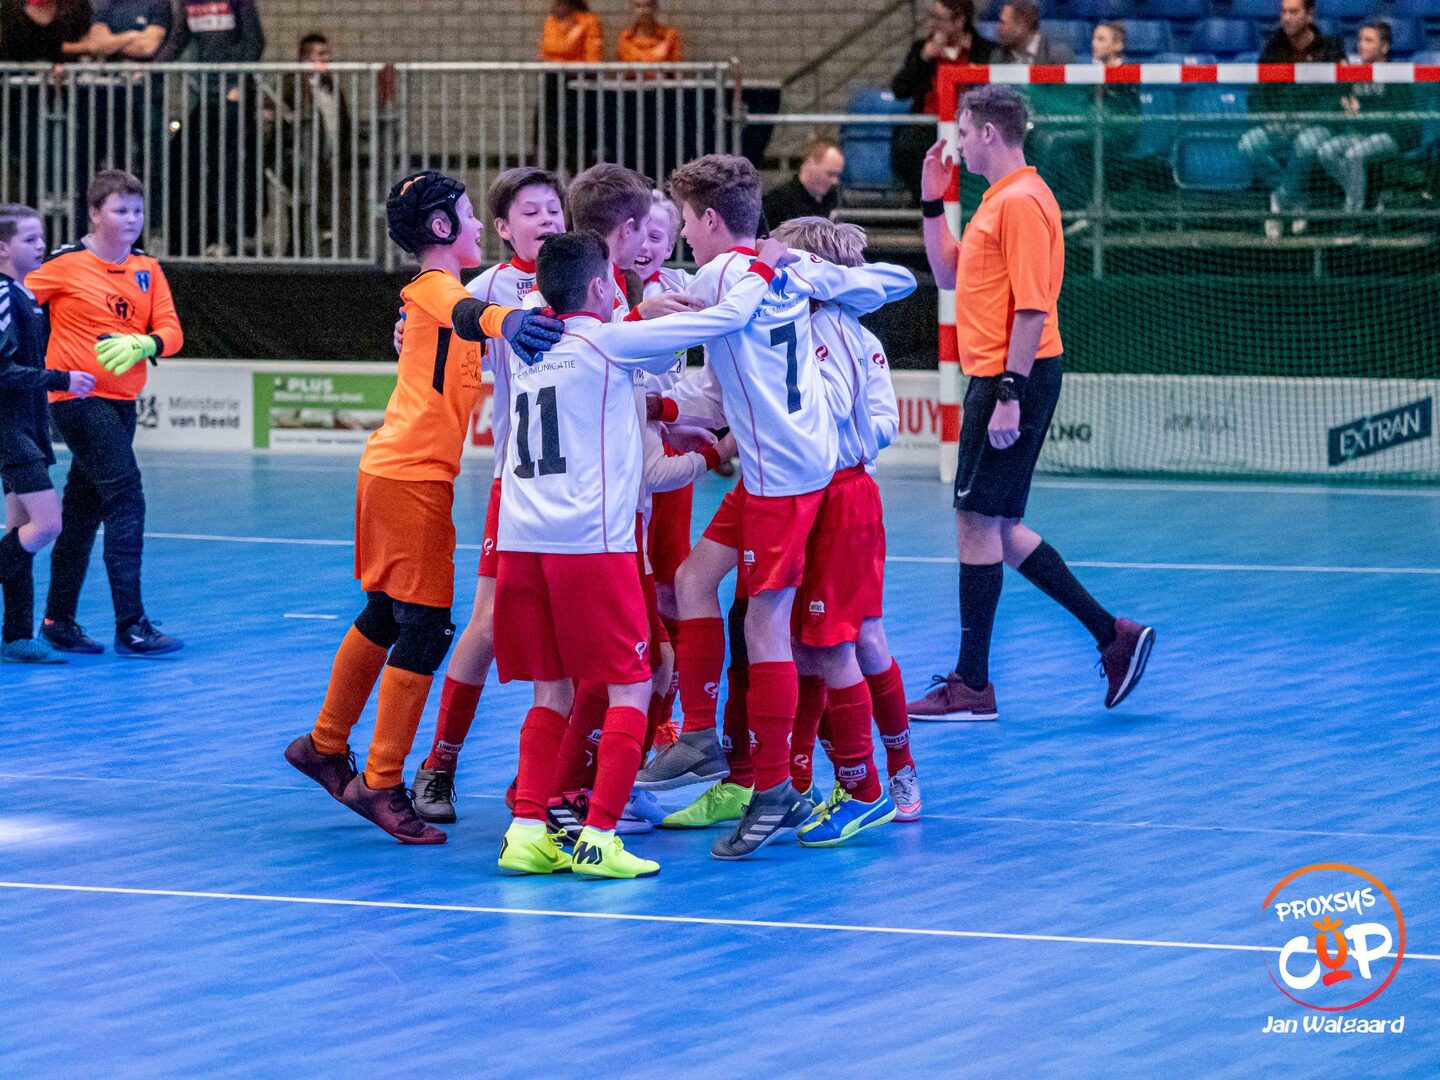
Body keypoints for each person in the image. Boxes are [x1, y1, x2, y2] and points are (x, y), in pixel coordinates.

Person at [638, 153, 915, 859]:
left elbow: (672, 336)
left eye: (685, 223)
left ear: (709, 219)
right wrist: (819, 276)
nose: (682, 239)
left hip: (788, 479)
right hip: (776, 471)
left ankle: (775, 786)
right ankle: (704, 735)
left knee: (780, 631)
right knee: (695, 579)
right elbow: (723, 386)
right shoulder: (783, 275)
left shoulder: (725, 275)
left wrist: (628, 327)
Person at [492, 229, 793, 879]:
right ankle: (599, 836)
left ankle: (527, 830)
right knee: (634, 681)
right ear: (601, 285)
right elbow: (725, 319)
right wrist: (763, 269)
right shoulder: (608, 342)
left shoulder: (527, 346)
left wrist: (637, 316)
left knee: (551, 688)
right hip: (589, 543)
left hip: (521, 539)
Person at [284, 171, 563, 846]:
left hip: (396, 471)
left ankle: (324, 744)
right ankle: (381, 781)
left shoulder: (439, 299)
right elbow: (470, 314)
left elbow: (462, 324)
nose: (478, 226)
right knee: (428, 629)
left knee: (387, 615)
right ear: (441, 228)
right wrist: (511, 321)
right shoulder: (436, 287)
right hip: (409, 477)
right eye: (469, 215)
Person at [908, 85, 1154, 723]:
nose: (960, 145)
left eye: (965, 133)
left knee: (975, 521)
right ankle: (1113, 635)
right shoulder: (1000, 199)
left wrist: (1009, 394)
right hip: (1005, 374)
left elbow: (1033, 307)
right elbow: (949, 274)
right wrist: (932, 200)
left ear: (988, 133)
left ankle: (972, 685)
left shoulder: (1019, 202)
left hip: (1011, 375)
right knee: (998, 526)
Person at [408, 166, 567, 824]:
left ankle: (550, 779)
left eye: (554, 208)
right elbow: (428, 320)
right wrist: (405, 331)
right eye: (532, 211)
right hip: (521, 480)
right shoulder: (488, 289)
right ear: (502, 228)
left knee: (573, 638)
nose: (548, 219)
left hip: (591, 489)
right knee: (489, 622)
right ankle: (439, 763)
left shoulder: (595, 279)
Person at [769, 215, 919, 837]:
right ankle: (805, 777)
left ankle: (880, 780)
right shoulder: (803, 326)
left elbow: (874, 421)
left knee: (845, 640)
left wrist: (826, 442)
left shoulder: (836, 331)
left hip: (840, 493)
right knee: (812, 641)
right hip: (819, 493)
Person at [28, 170, 183, 656]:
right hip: (77, 400)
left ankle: (57, 620)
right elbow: (14, 297)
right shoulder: (64, 266)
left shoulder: (147, 269)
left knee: (82, 509)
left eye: (137, 210)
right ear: (95, 214)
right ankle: (131, 625)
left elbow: (172, 331)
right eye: (120, 210)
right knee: (126, 496)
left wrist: (147, 343)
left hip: (122, 402)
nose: (132, 219)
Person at [0, 204, 96, 664]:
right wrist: (62, 379)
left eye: (41, 237)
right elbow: (2, 371)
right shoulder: (4, 295)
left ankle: (17, 635)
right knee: (48, 524)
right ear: (3, 248)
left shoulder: (26, 295)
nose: (41, 246)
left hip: (30, 427)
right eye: (30, 239)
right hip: (9, 429)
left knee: (20, 530)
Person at [160, 0, 266, 255]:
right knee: (191, 162)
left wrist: (238, 83)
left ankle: (228, 237)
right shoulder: (189, 3)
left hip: (232, 95)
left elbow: (254, 41)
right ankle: (197, 236)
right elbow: (177, 41)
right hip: (205, 96)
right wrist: (150, 66)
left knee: (229, 169)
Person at [1238, 0, 1344, 239]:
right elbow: (1258, 93)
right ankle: (1295, 197)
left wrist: (1310, 119)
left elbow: (1337, 94)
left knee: (1306, 144)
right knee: (1248, 145)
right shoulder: (1273, 48)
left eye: (1294, 12)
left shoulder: (1330, 49)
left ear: (1310, 15)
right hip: (1280, 124)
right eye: (1284, 11)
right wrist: (1269, 119)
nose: (1286, 18)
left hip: (1317, 124)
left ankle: (1279, 203)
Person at [891, 0, 995, 203]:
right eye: (934, 18)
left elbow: (993, 90)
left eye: (941, 19)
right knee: (905, 147)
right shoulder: (922, 48)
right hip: (929, 124)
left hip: (970, 126)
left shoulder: (983, 50)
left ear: (959, 21)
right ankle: (927, 202)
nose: (935, 24)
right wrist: (923, 58)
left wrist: (975, 64)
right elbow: (899, 90)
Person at [1314, 20, 1414, 217]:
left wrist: (1362, 111)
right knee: (1326, 151)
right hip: (1360, 134)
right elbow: (1337, 101)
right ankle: (1364, 196)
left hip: (1390, 136)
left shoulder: (1396, 73)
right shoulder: (1355, 72)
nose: (1361, 45)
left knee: (1354, 154)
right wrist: (1343, 102)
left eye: (1369, 40)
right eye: (1360, 40)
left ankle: (1353, 213)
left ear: (1384, 47)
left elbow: (1399, 118)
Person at [281, 32, 354, 258]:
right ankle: (300, 247)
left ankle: (318, 241)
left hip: (328, 155)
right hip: (302, 155)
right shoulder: (293, 85)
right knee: (301, 201)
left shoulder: (331, 87)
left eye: (327, 54)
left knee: (321, 197)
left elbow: (342, 120)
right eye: (320, 54)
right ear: (306, 58)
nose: (326, 59)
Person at [761, 136, 845, 230]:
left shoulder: (833, 199)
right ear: (810, 163)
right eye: (830, 174)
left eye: (837, 175)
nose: (835, 181)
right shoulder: (776, 203)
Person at [0, 0, 93, 61]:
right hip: (16, 80)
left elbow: (90, 40)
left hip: (67, 81)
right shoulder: (11, 11)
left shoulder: (76, 6)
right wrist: (85, 47)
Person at [994, 0, 1073, 65]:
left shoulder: (1059, 56)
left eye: (1002, 22)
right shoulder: (998, 56)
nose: (997, 27)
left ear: (1021, 25)